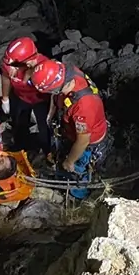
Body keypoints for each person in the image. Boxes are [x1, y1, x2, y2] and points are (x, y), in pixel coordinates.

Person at [30, 58, 112, 199]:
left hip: (88, 143)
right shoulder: (67, 72)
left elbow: (82, 141)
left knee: (77, 171)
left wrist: (70, 161)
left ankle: (79, 197)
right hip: (71, 130)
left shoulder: (85, 105)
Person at [0, 37, 52, 154]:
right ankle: (20, 146)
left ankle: (47, 151)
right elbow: (5, 77)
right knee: (19, 122)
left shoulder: (45, 67)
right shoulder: (9, 63)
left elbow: (53, 90)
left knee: (44, 127)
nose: (11, 67)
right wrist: (5, 98)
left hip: (41, 100)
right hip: (20, 96)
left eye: (15, 64)